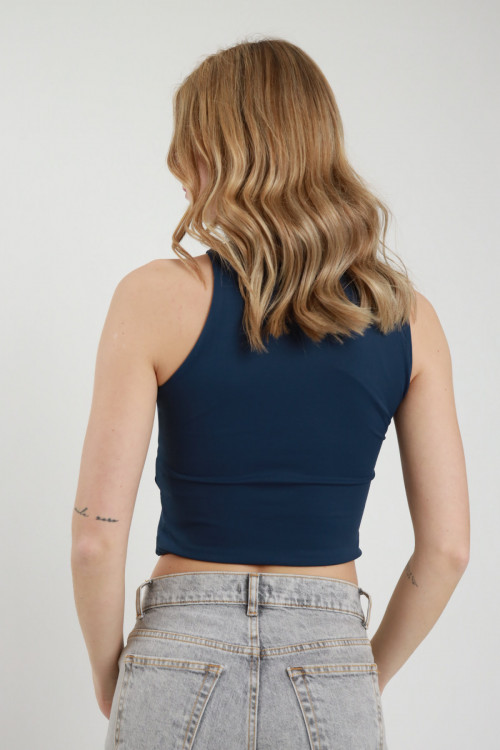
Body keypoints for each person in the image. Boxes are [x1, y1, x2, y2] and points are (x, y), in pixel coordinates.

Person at [71, 38, 470, 750]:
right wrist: (355, 676)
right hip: (330, 651)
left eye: (190, 147)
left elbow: (95, 540)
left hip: (179, 648)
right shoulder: (408, 318)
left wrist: (112, 676)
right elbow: (447, 550)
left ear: (225, 153)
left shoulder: (154, 297)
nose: (177, 169)